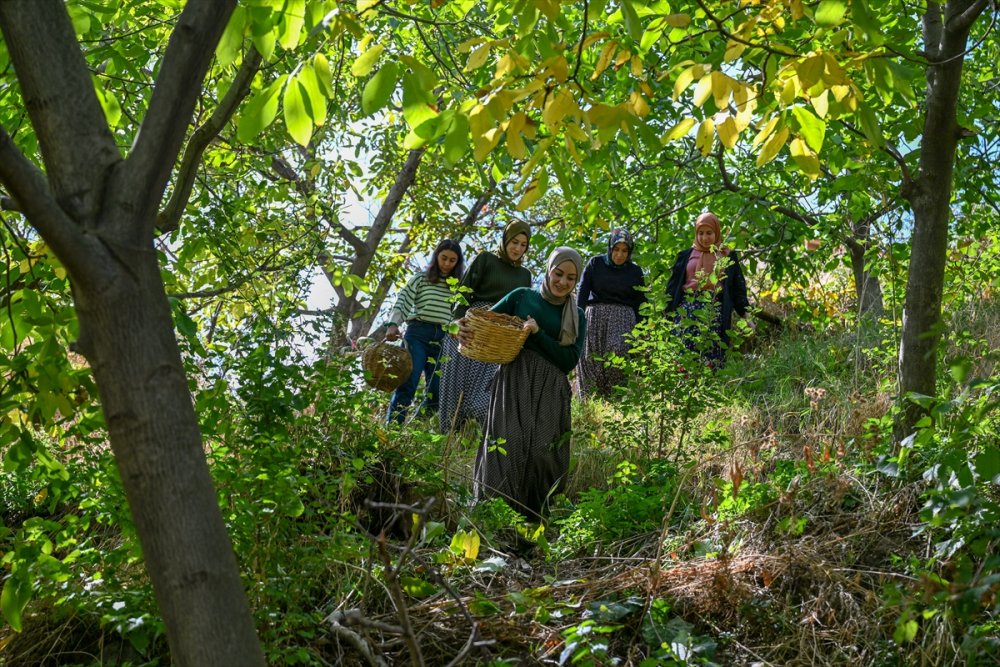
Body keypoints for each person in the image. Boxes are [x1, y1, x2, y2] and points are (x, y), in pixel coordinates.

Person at [466, 247, 586, 520]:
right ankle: (493, 516)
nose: (562, 282)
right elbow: (486, 324)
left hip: (551, 390)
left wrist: (538, 334)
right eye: (558, 273)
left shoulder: (577, 315)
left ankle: (533, 520)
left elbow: (568, 360)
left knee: (542, 452)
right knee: (506, 445)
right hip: (513, 382)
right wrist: (464, 328)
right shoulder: (522, 297)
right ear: (549, 270)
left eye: (571, 278)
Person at [437, 221, 532, 433]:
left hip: (498, 338)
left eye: (523, 245)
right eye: (514, 242)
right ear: (505, 240)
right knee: (454, 389)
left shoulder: (524, 275)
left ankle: (481, 439)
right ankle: (448, 437)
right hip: (471, 327)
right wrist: (455, 323)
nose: (517, 248)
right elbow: (463, 292)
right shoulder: (486, 259)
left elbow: (522, 309)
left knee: (487, 394)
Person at [382, 239, 464, 424]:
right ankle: (393, 428)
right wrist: (393, 324)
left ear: (457, 263)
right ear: (436, 257)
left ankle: (414, 428)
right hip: (418, 334)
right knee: (408, 383)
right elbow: (404, 299)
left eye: (452, 260)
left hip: (444, 339)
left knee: (437, 392)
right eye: (444, 258)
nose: (447, 263)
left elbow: (462, 313)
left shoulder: (458, 287)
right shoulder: (421, 278)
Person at [665, 212, 750, 367]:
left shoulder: (727, 255)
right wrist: (663, 317)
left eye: (709, 233)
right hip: (686, 312)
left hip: (713, 312)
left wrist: (746, 315)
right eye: (701, 233)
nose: (704, 238)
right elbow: (672, 289)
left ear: (716, 232)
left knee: (710, 359)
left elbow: (737, 289)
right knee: (682, 360)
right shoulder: (685, 255)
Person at [576, 228, 646, 398]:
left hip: (622, 320)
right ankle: (589, 403)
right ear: (610, 248)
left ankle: (614, 402)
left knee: (618, 354)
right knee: (590, 358)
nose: (619, 255)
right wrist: (577, 320)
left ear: (629, 252)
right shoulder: (595, 264)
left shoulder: (635, 272)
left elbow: (641, 304)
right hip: (594, 318)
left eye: (624, 251)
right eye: (616, 249)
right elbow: (582, 294)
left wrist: (643, 332)